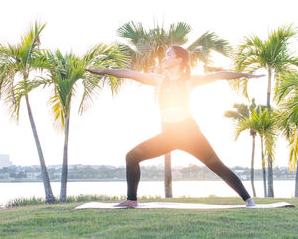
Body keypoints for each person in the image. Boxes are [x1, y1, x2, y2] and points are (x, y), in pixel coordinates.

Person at [85, 45, 264, 208]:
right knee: (132, 156)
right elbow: (131, 73)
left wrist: (246, 75)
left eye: (168, 55)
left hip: (190, 134)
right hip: (168, 136)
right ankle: (131, 200)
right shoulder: (159, 80)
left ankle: (248, 199)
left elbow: (218, 76)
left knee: (216, 165)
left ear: (179, 59)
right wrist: (104, 71)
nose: (164, 58)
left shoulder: (189, 81)